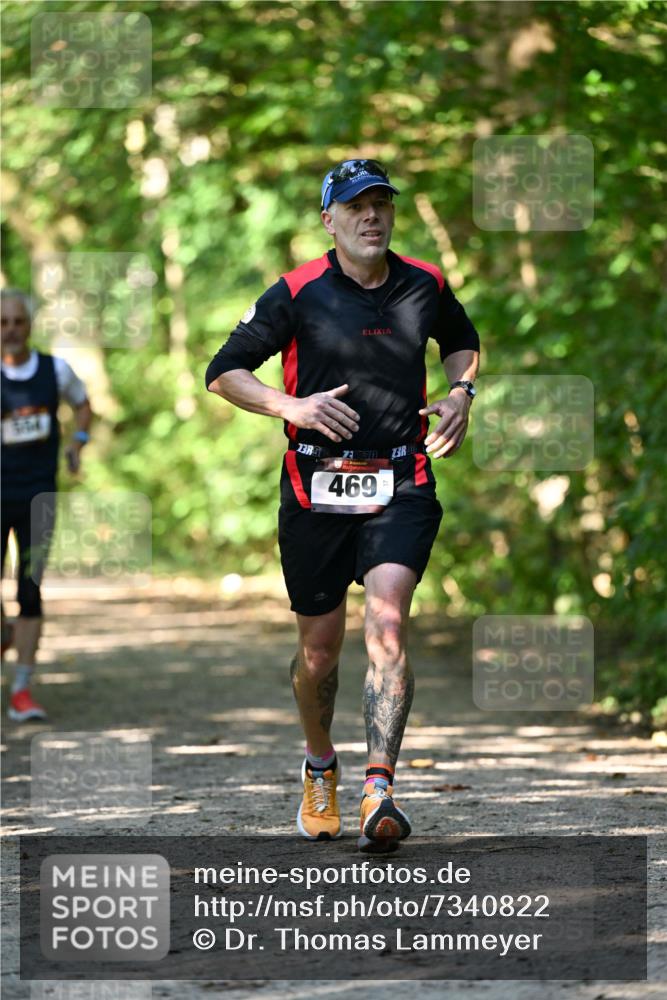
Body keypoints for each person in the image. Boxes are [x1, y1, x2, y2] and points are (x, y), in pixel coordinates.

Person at [206, 159, 480, 852]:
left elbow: (462, 342)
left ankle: (378, 789)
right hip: (313, 488)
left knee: (387, 622)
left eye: (382, 203)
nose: (372, 216)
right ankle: (320, 763)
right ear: (329, 220)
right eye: (356, 206)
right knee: (318, 654)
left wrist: (460, 395)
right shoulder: (295, 292)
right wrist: (289, 404)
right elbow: (223, 372)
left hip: (401, 479)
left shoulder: (425, 282)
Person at [1, 288, 92, 721]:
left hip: (39, 495)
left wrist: (78, 441)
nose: (11, 330)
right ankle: (5, 632)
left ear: (29, 326)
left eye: (17, 322)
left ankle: (21, 689)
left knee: (30, 589)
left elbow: (83, 404)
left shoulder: (55, 370)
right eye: (3, 323)